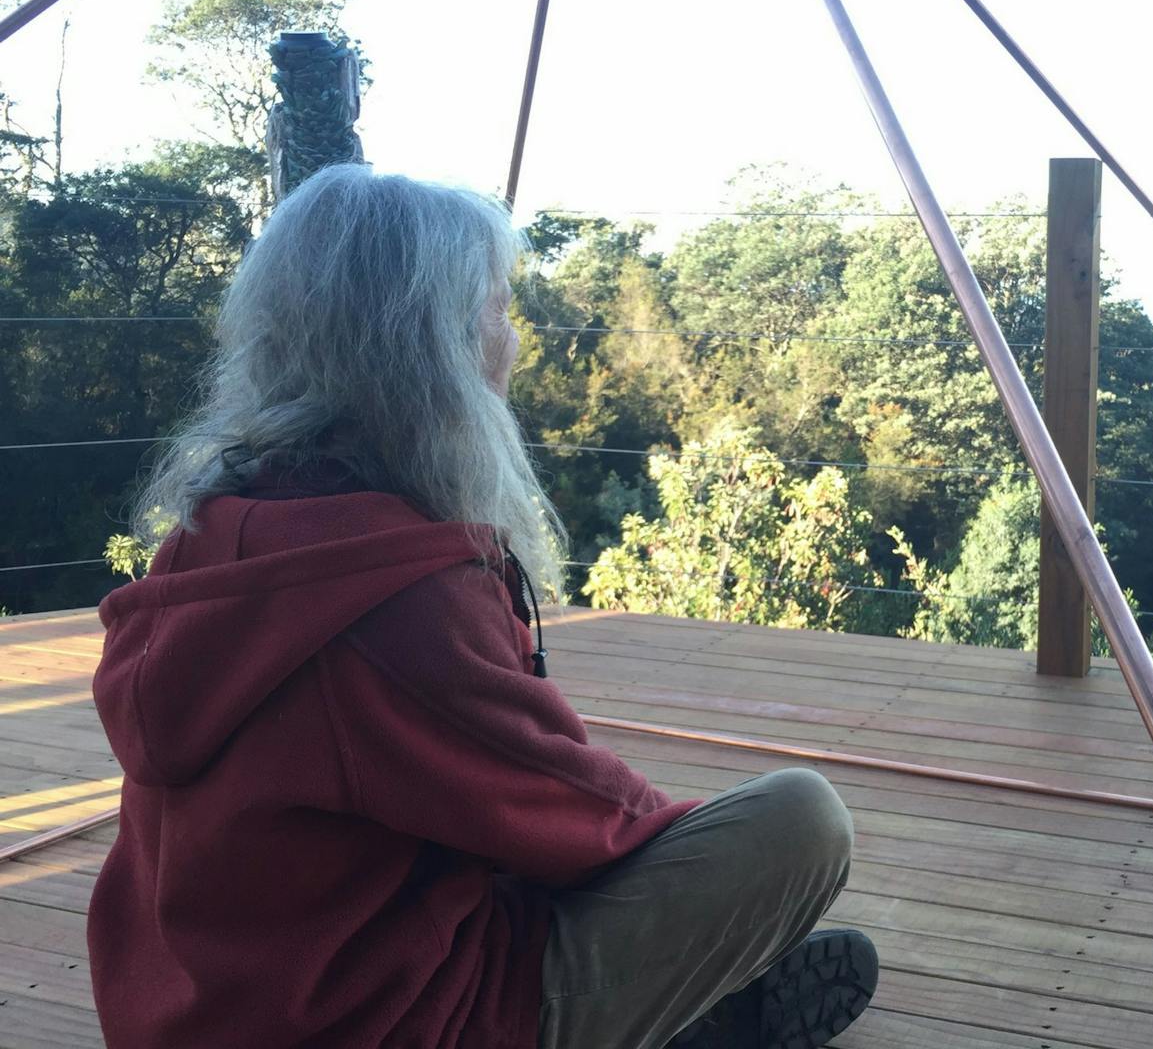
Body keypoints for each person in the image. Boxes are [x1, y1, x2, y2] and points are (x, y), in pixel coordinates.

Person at [89, 165, 878, 1049]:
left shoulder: (211, 531)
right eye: (500, 310)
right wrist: (720, 905)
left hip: (192, 1007)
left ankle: (704, 1010)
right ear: (437, 345)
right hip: (373, 1022)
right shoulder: (397, 599)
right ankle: (701, 1014)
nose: (513, 339)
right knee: (798, 822)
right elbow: (576, 818)